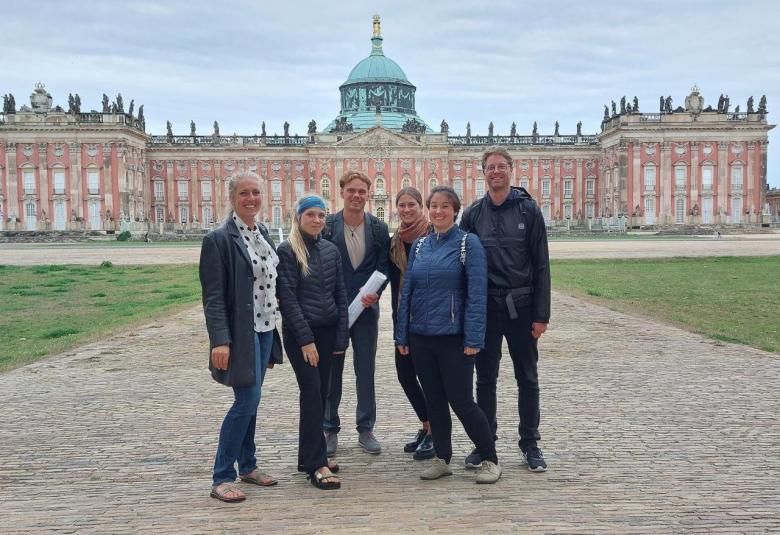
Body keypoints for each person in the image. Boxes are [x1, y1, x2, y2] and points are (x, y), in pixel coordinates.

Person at [395, 186, 501, 484]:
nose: (438, 211)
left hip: (453, 338)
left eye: (445, 206)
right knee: (434, 401)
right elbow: (407, 292)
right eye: (434, 206)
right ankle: (442, 458)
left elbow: (477, 294)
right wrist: (402, 335)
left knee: (462, 401)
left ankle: (490, 458)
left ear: (455, 211)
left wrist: (474, 339)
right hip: (421, 336)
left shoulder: (469, 243)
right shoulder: (420, 245)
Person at [459, 146, 551, 472]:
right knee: (485, 379)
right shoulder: (473, 213)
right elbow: (462, 266)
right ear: (483, 172)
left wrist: (541, 315)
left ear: (511, 170)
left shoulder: (529, 210)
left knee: (527, 377)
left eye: (501, 166)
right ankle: (485, 444)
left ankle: (530, 443)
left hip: (521, 306)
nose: (496, 172)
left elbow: (541, 264)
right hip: (486, 307)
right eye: (490, 167)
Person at [199, 171, 283, 503]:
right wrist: (220, 340)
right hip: (239, 334)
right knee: (246, 400)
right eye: (244, 193)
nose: (251, 199)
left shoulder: (262, 233)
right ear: (232, 198)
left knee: (253, 400)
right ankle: (221, 477)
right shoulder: (218, 239)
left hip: (264, 329)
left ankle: (248, 465)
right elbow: (213, 297)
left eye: (256, 193)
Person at [277, 194, 349, 490]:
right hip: (301, 335)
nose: (317, 220)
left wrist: (341, 337)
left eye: (321, 215)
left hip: (328, 331)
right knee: (312, 392)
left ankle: (308, 456)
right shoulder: (287, 251)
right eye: (311, 215)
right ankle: (317, 464)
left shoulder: (331, 250)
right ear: (299, 217)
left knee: (320, 396)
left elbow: (341, 294)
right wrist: (306, 340)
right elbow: (287, 299)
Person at [321, 170, 390, 455]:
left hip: (365, 310)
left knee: (365, 369)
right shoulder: (327, 226)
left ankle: (366, 428)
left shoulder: (378, 228)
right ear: (342, 192)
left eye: (362, 191)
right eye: (351, 190)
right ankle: (329, 428)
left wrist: (377, 292)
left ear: (368, 194)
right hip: (334, 312)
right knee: (331, 371)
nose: (357, 195)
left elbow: (384, 266)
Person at [388, 187, 434, 460]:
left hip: (429, 317)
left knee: (429, 378)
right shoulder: (395, 241)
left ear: (421, 207)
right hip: (402, 316)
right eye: (402, 205)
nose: (406, 210)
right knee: (405, 375)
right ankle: (427, 425)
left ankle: (436, 432)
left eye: (411, 205)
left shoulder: (433, 235)